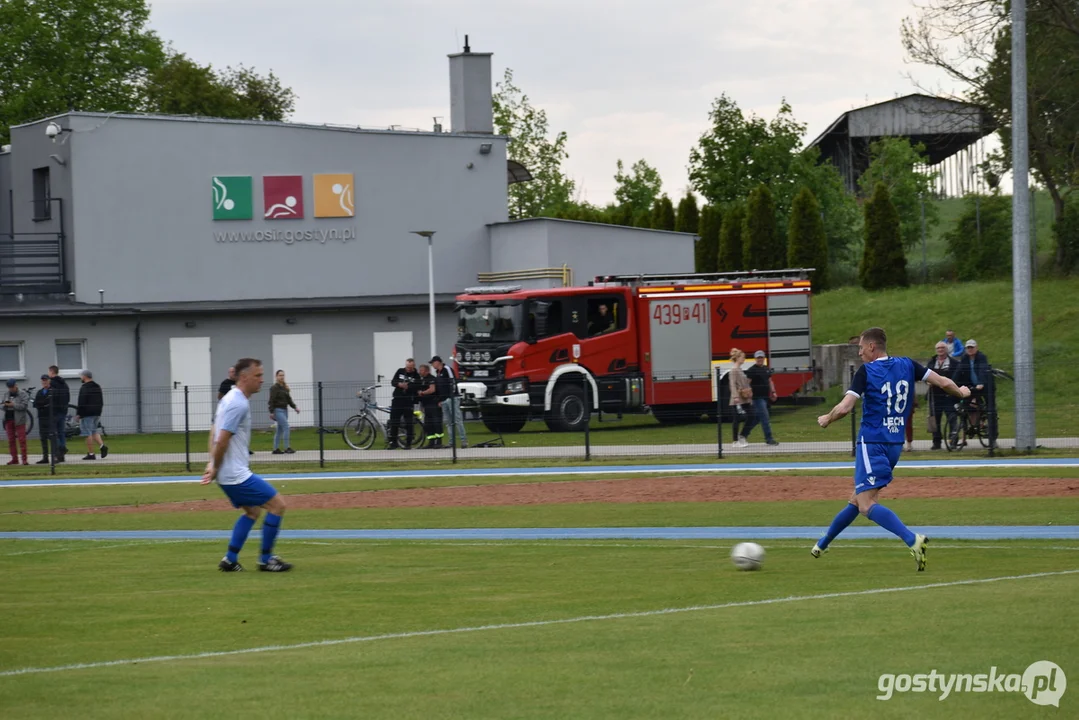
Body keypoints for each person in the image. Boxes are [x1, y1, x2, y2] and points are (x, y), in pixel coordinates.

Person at [813, 327, 970, 570]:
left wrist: (826, 418)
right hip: (894, 444)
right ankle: (822, 543)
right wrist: (960, 392)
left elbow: (845, 407)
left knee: (865, 504)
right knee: (857, 499)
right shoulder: (908, 365)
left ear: (872, 347)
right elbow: (942, 381)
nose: (860, 352)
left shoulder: (867, 371)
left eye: (861, 348)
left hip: (872, 442)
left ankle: (912, 539)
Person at [201, 358, 291, 572]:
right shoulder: (238, 402)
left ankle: (230, 560)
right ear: (244, 377)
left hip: (227, 472)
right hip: (235, 474)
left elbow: (214, 429)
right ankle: (266, 560)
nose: (262, 380)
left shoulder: (228, 399)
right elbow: (222, 438)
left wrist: (211, 462)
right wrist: (214, 466)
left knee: (252, 512)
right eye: (258, 376)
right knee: (278, 505)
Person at [952, 339, 991, 431]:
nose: (970, 349)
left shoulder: (981, 357)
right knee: (967, 405)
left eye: (972, 347)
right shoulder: (965, 358)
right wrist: (952, 383)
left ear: (976, 348)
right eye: (968, 348)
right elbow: (958, 370)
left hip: (984, 385)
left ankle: (985, 425)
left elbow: (982, 369)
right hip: (972, 385)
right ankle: (970, 426)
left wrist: (981, 382)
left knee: (988, 408)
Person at [927, 342, 958, 450]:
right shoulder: (932, 362)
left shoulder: (953, 363)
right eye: (938, 348)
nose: (940, 350)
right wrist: (928, 382)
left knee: (952, 418)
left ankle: (953, 441)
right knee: (935, 420)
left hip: (949, 396)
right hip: (935, 396)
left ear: (946, 349)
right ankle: (936, 442)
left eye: (942, 348)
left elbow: (957, 377)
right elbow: (925, 375)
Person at [432, 355, 467, 449]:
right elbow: (439, 388)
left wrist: (451, 395)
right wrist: (440, 399)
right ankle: (452, 442)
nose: (432, 365)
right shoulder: (438, 373)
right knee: (448, 422)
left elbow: (453, 382)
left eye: (433, 363)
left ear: (438, 362)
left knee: (457, 419)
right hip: (443, 400)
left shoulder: (447, 369)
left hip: (452, 398)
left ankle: (463, 440)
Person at [745, 350, 779, 446]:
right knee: (765, 417)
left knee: (757, 419)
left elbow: (770, 381)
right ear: (755, 359)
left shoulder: (766, 369)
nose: (760, 359)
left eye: (761, 357)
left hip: (765, 397)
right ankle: (769, 439)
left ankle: (744, 434)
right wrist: (749, 396)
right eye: (758, 358)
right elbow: (747, 383)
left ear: (764, 358)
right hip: (757, 398)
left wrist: (773, 392)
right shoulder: (752, 370)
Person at [75, 370, 108, 460]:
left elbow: (82, 401)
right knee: (93, 431)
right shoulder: (97, 386)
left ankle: (91, 453)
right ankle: (102, 446)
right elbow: (101, 400)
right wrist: (99, 411)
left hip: (87, 413)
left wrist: (79, 414)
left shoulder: (84, 387)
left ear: (85, 376)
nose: (80, 378)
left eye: (81, 376)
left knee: (87, 433)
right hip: (96, 413)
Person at [387, 358, 420, 449]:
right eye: (407, 367)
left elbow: (417, 386)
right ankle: (393, 443)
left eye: (410, 367)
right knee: (394, 421)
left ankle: (408, 443)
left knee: (408, 422)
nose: (408, 369)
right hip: (397, 399)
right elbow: (393, 382)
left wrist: (408, 387)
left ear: (413, 366)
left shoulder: (416, 376)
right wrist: (399, 385)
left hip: (408, 401)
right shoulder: (400, 371)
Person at [727, 348, 757, 447]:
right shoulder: (733, 370)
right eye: (743, 357)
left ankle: (742, 435)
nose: (744, 359)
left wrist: (749, 394)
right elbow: (732, 384)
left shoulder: (740, 370)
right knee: (736, 419)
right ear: (738, 358)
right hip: (737, 399)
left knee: (752, 415)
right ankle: (735, 441)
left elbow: (745, 383)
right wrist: (735, 397)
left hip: (745, 398)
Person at [268, 370, 299, 455]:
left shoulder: (285, 387)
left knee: (279, 430)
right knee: (286, 427)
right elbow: (271, 400)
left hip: (285, 410)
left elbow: (289, 399)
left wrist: (295, 407)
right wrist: (271, 411)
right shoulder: (274, 388)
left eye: (283, 375)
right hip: (278, 410)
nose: (282, 377)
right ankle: (287, 447)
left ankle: (275, 449)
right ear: (276, 377)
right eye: (280, 375)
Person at [4, 379, 31, 465]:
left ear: (16, 385)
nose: (11, 389)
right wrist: (4, 405)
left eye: (12, 387)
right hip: (8, 419)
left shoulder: (23, 394)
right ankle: (14, 459)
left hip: (19, 420)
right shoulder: (6, 394)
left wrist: (13, 405)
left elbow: (24, 406)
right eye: (9, 387)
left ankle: (24, 459)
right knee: (11, 441)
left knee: (22, 440)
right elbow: (2, 404)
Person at [46, 365, 70, 463]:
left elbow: (51, 397)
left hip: (54, 410)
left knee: (53, 433)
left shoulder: (52, 384)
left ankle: (60, 449)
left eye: (49, 372)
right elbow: (67, 397)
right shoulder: (64, 383)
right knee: (61, 432)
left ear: (52, 372)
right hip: (63, 410)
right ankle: (62, 452)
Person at [416, 363, 443, 448]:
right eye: (419, 370)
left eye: (422, 370)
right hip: (426, 405)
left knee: (436, 423)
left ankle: (438, 442)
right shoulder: (421, 380)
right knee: (428, 424)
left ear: (427, 371)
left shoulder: (432, 379)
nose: (420, 372)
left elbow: (432, 389)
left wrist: (422, 393)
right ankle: (431, 442)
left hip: (434, 404)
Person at [32, 375, 52, 464]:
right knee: (43, 438)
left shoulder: (52, 391)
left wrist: (42, 404)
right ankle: (45, 457)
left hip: (50, 417)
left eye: (46, 381)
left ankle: (55, 456)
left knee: (52, 437)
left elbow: (51, 403)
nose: (44, 382)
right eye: (43, 381)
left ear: (49, 381)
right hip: (41, 417)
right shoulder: (40, 392)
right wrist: (43, 404)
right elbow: (36, 404)